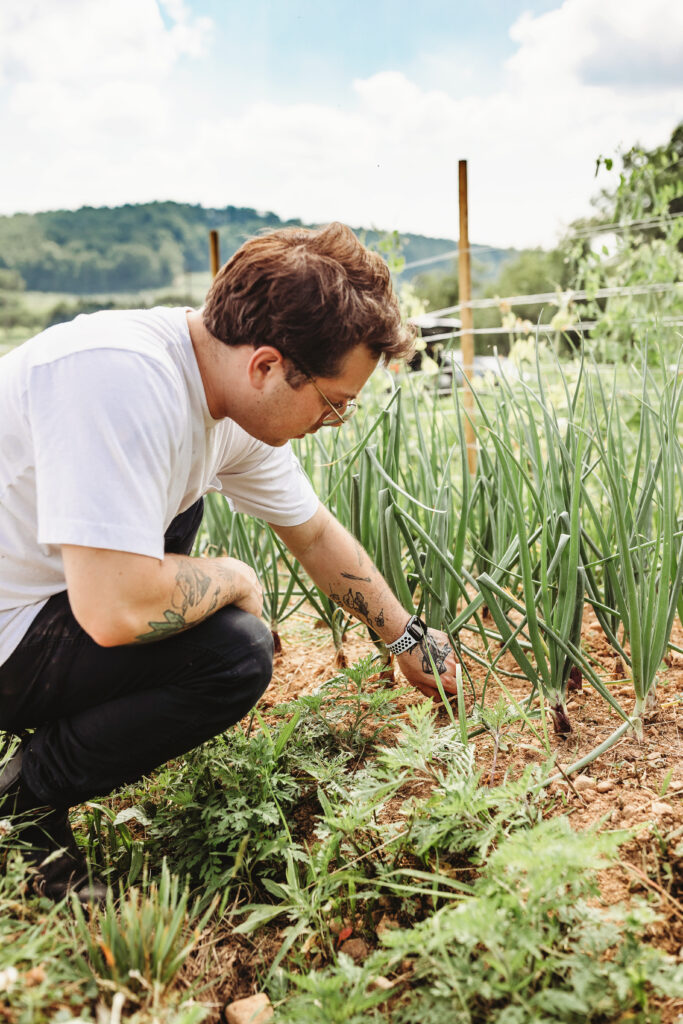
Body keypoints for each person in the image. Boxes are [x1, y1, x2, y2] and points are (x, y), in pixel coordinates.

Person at [0, 222, 459, 904]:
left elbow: (313, 534)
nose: (332, 422)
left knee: (177, 531)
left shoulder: (222, 396)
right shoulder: (122, 381)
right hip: (18, 623)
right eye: (334, 403)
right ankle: (21, 805)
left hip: (36, 604)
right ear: (266, 366)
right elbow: (115, 608)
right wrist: (234, 578)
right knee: (235, 654)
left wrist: (406, 638)